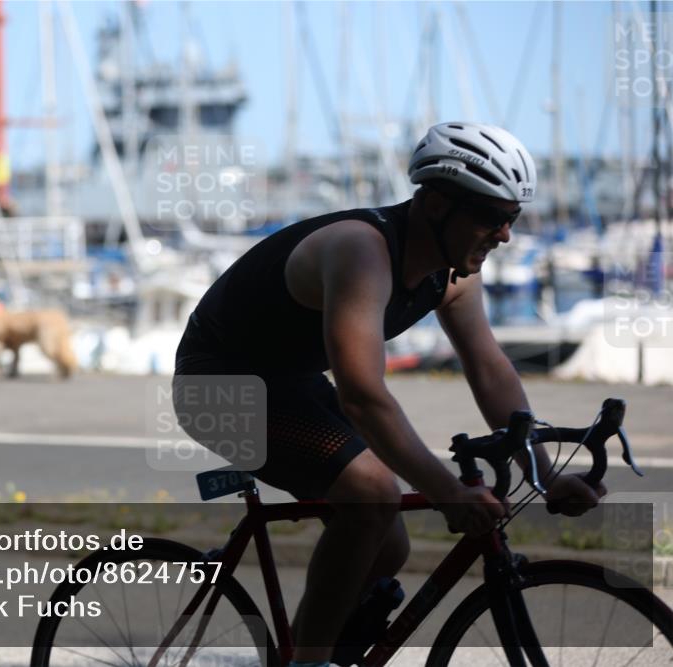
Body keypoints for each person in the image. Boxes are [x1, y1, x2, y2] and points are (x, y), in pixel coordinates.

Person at [173, 122, 606, 667]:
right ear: (434, 205)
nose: (504, 236)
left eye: (512, 218)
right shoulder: (362, 252)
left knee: (389, 545)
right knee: (373, 494)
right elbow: (362, 396)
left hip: (288, 380)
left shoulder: (453, 274)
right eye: (492, 217)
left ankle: (297, 656)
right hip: (214, 383)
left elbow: (490, 369)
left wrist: (542, 471)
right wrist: (448, 491)